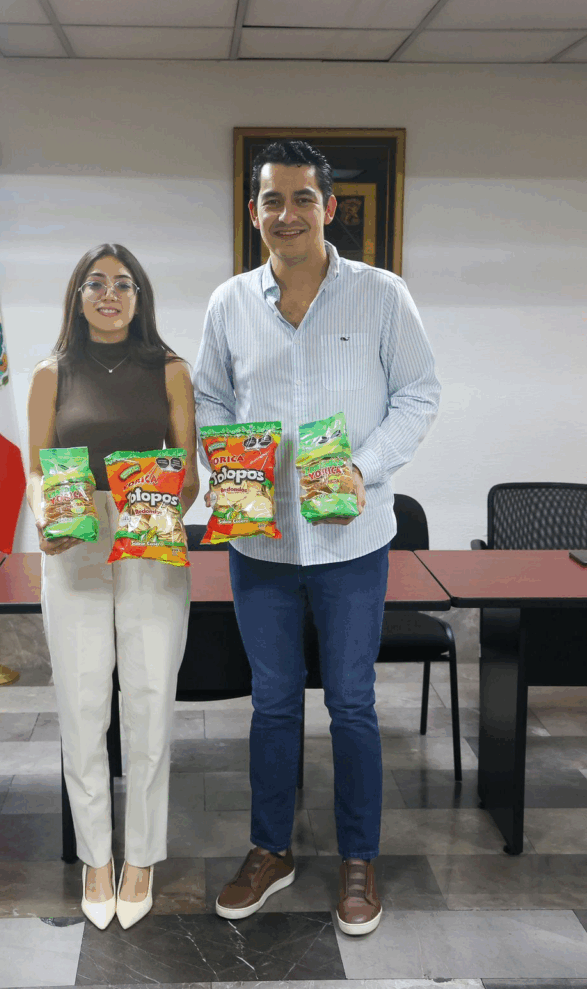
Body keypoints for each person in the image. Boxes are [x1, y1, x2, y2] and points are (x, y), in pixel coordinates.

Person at [193, 141, 440, 936]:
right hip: (260, 543)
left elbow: (417, 393)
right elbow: (208, 399)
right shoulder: (229, 302)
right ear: (253, 211)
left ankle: (357, 860)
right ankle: (270, 850)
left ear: (329, 208)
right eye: (272, 200)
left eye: (302, 198)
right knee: (271, 703)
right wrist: (228, 459)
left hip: (352, 542)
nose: (287, 214)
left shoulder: (380, 294)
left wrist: (362, 469)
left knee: (352, 702)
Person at [26, 243, 199, 931]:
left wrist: (166, 504)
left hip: (149, 535)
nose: (109, 294)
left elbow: (188, 472)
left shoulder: (171, 370)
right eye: (95, 283)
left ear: (139, 297)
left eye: (123, 284)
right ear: (77, 295)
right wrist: (45, 516)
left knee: (150, 702)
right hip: (76, 540)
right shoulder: (50, 373)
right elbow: (37, 468)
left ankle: (141, 860)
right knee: (82, 704)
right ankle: (96, 859)